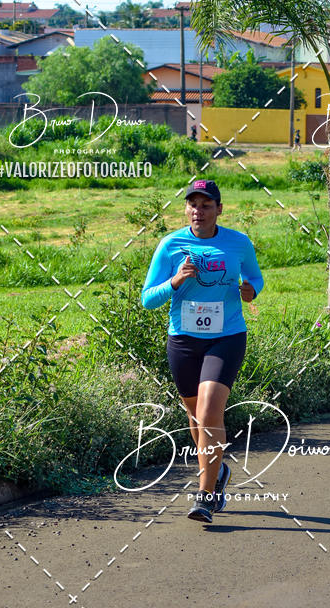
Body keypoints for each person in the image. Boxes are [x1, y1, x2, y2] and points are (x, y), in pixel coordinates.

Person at [141, 179, 264, 522]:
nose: (198, 211)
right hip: (183, 339)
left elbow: (256, 278)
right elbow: (148, 299)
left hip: (226, 336)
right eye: (193, 205)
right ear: (186, 210)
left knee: (210, 412)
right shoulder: (171, 245)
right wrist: (175, 281)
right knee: (196, 420)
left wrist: (251, 290)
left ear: (219, 209)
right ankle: (218, 472)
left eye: (206, 205)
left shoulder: (238, 243)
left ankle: (205, 495)